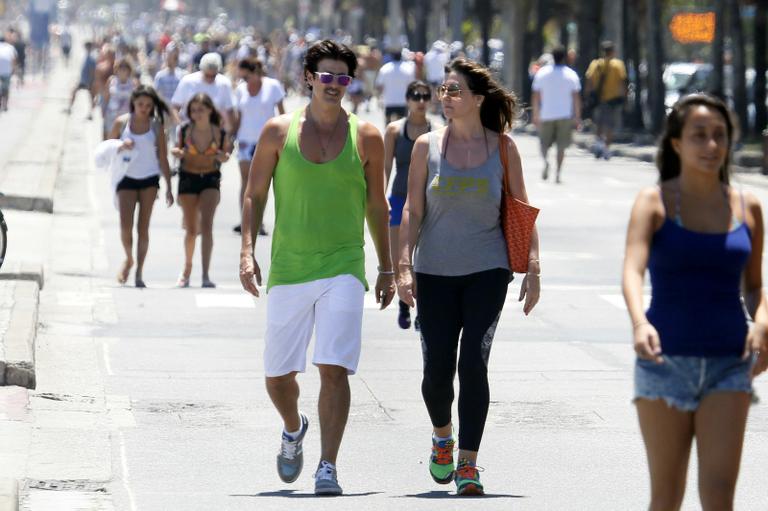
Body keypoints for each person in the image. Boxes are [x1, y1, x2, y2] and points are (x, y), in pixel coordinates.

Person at [239, 39, 395, 496]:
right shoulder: (276, 131)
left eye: (342, 78)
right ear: (308, 77)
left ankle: (328, 465)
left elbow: (376, 205)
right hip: (290, 267)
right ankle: (293, 427)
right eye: (325, 76)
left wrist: (387, 267)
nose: (333, 85)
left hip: (344, 264)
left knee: (334, 367)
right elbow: (254, 194)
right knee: (277, 377)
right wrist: (248, 250)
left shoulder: (366, 135)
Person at [397, 58, 540, 496]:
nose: (445, 97)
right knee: (436, 373)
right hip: (435, 271)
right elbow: (412, 208)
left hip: (488, 270)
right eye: (443, 90)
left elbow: (520, 209)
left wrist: (532, 268)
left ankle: (469, 465)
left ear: (478, 99)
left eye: (454, 90)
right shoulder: (427, 146)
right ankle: (443, 438)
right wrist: (403, 265)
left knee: (473, 364)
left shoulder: (503, 148)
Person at [622, 93, 768, 511]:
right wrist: (639, 323)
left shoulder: (749, 205)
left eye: (719, 136)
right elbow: (633, 269)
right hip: (665, 362)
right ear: (676, 144)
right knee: (666, 498)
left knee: (720, 498)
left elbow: (755, 286)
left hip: (728, 363)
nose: (711, 146)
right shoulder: (655, 201)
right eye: (699, 136)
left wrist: (762, 323)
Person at [107, 85, 174, 288]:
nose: (144, 108)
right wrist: (120, 145)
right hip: (126, 178)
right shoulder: (121, 123)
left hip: (149, 179)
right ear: (133, 103)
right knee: (125, 226)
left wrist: (169, 186)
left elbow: (163, 157)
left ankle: (139, 273)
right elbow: (107, 148)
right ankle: (129, 258)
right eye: (140, 104)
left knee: (143, 228)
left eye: (148, 105)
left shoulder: (156, 126)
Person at [383, 80, 432, 330]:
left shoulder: (438, 130)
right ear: (407, 99)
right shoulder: (394, 130)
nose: (420, 100)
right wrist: (381, 198)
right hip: (399, 197)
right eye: (415, 95)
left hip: (428, 201)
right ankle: (404, 303)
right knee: (398, 255)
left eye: (425, 96)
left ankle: (422, 308)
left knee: (424, 256)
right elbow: (385, 168)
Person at [171, 93, 231, 288]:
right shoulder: (185, 130)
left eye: (201, 109)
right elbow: (175, 149)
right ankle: (187, 268)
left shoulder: (219, 133)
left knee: (207, 227)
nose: (197, 113)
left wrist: (223, 156)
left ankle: (205, 274)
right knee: (191, 230)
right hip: (188, 178)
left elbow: (226, 154)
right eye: (193, 110)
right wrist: (178, 152)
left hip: (210, 179)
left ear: (210, 110)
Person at [232, 57, 285, 235]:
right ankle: (245, 221)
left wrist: (284, 138)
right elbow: (237, 117)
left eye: (246, 77)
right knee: (245, 181)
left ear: (256, 72)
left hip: (267, 142)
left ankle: (259, 222)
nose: (244, 81)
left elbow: (282, 114)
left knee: (262, 184)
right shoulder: (240, 90)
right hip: (245, 140)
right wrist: (230, 138)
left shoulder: (273, 86)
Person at [531, 45, 582, 183]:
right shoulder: (571, 74)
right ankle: (558, 173)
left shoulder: (542, 73)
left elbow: (536, 96)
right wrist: (577, 116)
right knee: (561, 147)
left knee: (543, 143)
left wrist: (535, 114)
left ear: (552, 56)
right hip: (564, 115)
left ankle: (546, 161)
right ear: (564, 57)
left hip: (546, 114)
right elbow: (576, 98)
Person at [171, 52, 236, 132]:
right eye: (207, 75)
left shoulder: (224, 83)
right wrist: (181, 126)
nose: (210, 79)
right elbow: (174, 107)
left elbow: (230, 111)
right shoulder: (187, 81)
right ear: (201, 69)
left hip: (214, 134)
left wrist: (230, 133)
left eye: (213, 76)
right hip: (189, 133)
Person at [585, 40, 627, 160]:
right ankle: (606, 149)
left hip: (598, 100)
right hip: (612, 100)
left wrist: (587, 96)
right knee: (610, 125)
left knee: (599, 123)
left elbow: (589, 81)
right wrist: (625, 98)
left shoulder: (595, 64)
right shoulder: (618, 65)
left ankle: (598, 146)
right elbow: (623, 82)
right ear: (613, 51)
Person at [153, 42, 186, 146]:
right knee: (163, 140)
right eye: (171, 54)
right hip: (164, 113)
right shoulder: (160, 76)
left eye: (176, 55)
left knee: (177, 139)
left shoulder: (182, 74)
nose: (174, 57)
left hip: (178, 112)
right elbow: (157, 95)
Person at [376, 48, 415, 123]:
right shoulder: (408, 68)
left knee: (388, 124)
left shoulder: (385, 68)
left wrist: (379, 98)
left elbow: (379, 85)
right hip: (403, 101)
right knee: (401, 125)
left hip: (388, 101)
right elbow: (412, 85)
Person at [102, 58, 139, 139]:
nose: (122, 70)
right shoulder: (111, 80)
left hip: (127, 118)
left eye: (125, 68)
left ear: (129, 70)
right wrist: (103, 111)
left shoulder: (134, 83)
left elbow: (137, 100)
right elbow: (105, 97)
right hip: (111, 116)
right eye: (120, 67)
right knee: (110, 141)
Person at [67, 41, 97, 119]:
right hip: (83, 80)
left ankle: (90, 114)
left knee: (91, 97)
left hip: (88, 81)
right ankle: (70, 108)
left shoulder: (91, 58)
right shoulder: (85, 57)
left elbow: (92, 71)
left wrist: (92, 82)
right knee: (75, 93)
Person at [0, 35, 17, 112]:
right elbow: (13, 59)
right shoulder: (10, 47)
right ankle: (5, 105)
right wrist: (13, 69)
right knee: (6, 88)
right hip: (7, 70)